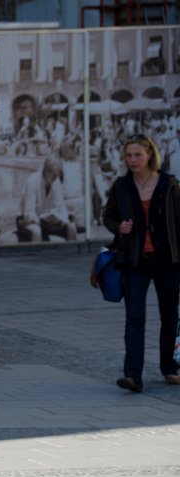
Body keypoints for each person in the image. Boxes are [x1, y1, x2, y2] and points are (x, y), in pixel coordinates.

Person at [103, 134, 180, 392]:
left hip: (167, 260)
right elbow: (108, 216)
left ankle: (169, 367)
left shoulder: (168, 184)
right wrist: (119, 226)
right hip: (134, 260)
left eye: (138, 155)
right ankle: (133, 375)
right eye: (128, 155)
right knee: (135, 318)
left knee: (170, 316)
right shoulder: (121, 186)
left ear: (150, 155)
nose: (133, 160)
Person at [16, 154, 78, 241]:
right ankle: (37, 254)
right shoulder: (32, 181)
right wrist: (41, 221)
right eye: (54, 175)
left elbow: (60, 207)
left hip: (45, 221)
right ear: (46, 171)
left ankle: (70, 253)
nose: (55, 178)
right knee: (37, 231)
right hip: (26, 220)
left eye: (57, 175)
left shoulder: (55, 181)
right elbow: (28, 213)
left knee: (71, 227)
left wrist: (63, 219)